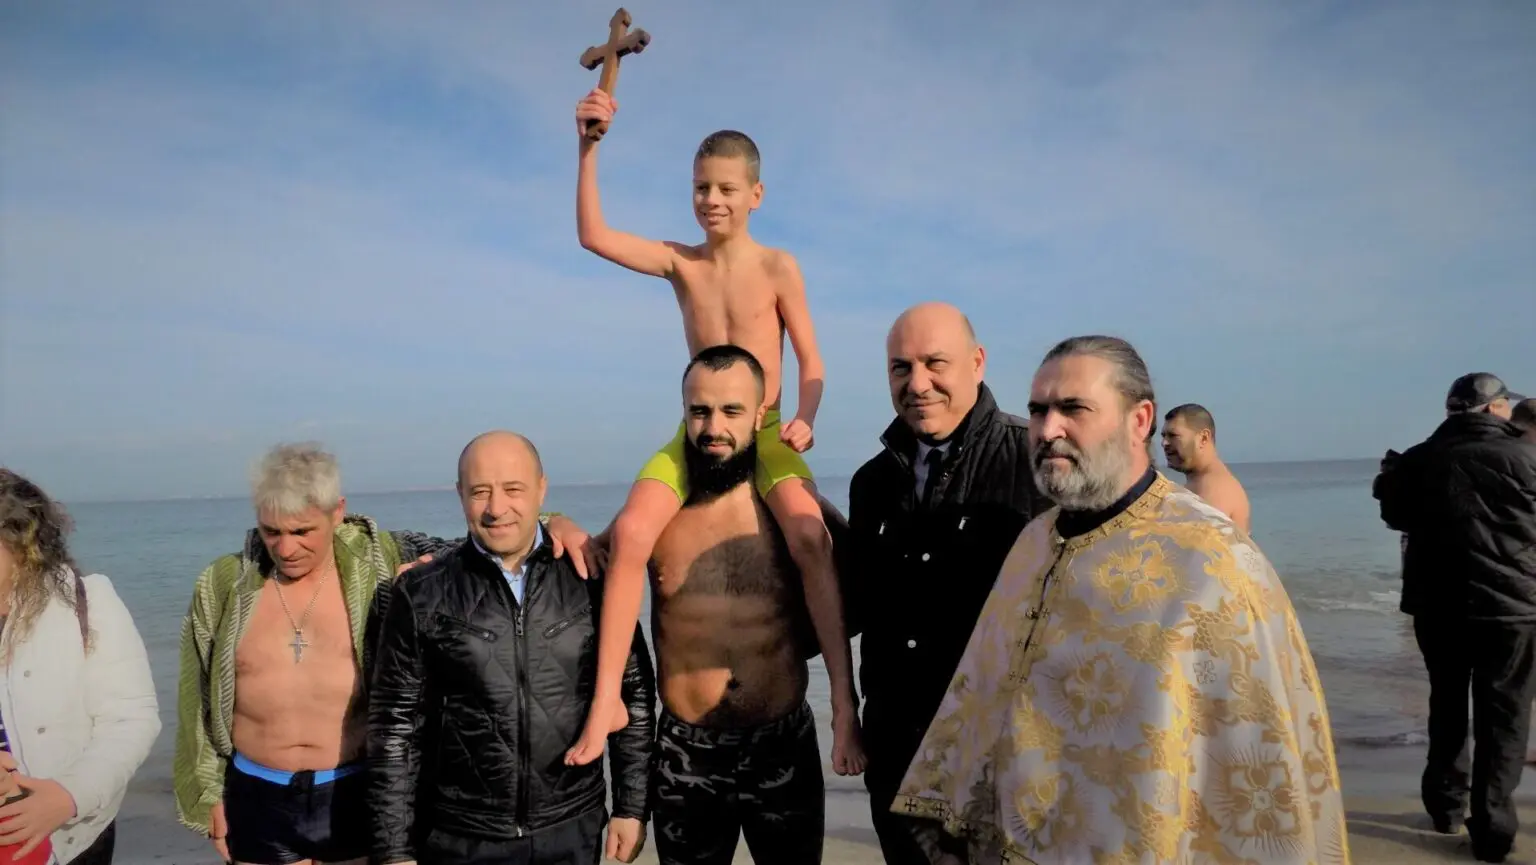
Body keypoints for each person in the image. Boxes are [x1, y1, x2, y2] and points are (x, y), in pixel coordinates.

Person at [893, 335, 1349, 864]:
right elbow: (983, 691)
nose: (1048, 430)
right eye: (1038, 411)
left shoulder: (1212, 559)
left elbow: (1255, 766)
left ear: (1139, 420)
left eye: (1073, 409)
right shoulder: (1034, 543)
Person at [567, 87, 863, 775]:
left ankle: (845, 705)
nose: (712, 200)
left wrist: (806, 418)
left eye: (727, 188)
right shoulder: (682, 262)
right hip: (696, 431)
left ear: (756, 194)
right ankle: (607, 700)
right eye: (701, 187)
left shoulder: (778, 266)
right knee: (631, 533)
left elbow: (813, 360)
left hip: (765, 429)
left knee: (810, 537)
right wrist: (588, 148)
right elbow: (593, 235)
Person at [174, 442, 590, 865]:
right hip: (257, 794)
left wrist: (553, 521)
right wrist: (207, 792)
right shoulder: (225, 585)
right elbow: (196, 697)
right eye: (271, 531)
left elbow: (484, 541)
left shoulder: (379, 557)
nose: (285, 548)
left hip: (355, 788)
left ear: (337, 512)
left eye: (302, 532)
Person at [365, 431, 654, 865]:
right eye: (480, 491)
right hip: (460, 834)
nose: (496, 508)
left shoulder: (590, 578)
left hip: (571, 825)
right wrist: (393, 849)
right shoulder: (421, 592)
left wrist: (631, 807)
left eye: (513, 489)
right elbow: (394, 728)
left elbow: (634, 695)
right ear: (460, 494)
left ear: (542, 489)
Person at [844, 302, 1045, 865]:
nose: (917, 384)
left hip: (1007, 758)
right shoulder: (871, 483)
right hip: (897, 752)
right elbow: (856, 606)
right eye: (900, 368)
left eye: (935, 363)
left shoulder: (1035, 460)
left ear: (977, 363)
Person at [642, 345, 835, 864]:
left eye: (731, 411)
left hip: (783, 742)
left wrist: (845, 708)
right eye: (700, 411)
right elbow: (592, 556)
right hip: (687, 751)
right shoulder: (657, 511)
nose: (714, 428)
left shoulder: (793, 514)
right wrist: (554, 521)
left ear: (758, 414)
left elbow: (847, 587)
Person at [1373, 372, 1536, 862]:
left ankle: (1445, 808)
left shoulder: (1418, 459)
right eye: (1506, 404)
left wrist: (1389, 478)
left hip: (1438, 607)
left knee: (1446, 704)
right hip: (1511, 609)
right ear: (1493, 408)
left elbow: (1394, 515)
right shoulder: (1525, 457)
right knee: (1505, 715)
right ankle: (1493, 830)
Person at [0, 468, 160, 865]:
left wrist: (68, 795)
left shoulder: (86, 600)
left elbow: (131, 719)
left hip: (73, 835)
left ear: (21, 541)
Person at [1161, 402, 1252, 533]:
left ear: (1203, 438)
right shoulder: (1201, 483)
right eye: (1163, 436)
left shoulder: (1216, 491)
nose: (1164, 443)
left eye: (1173, 435)